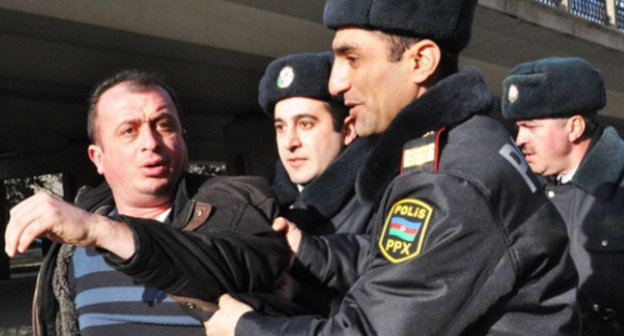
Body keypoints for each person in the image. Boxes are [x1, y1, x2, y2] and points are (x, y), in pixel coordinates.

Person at [204, 0, 580, 335]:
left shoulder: (448, 180)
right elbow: (405, 261)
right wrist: (307, 250)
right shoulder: (465, 141)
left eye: (352, 59)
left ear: (421, 62)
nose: (336, 83)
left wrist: (243, 327)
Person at [4, 69, 290, 336]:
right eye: (129, 130)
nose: (151, 142)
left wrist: (104, 231)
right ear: (97, 158)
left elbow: (249, 266)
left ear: (183, 140)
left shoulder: (237, 203)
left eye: (164, 126)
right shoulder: (71, 250)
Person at [501, 56, 624, 335]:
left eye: (530, 127)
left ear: (574, 127)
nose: (519, 139)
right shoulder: (521, 189)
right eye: (518, 127)